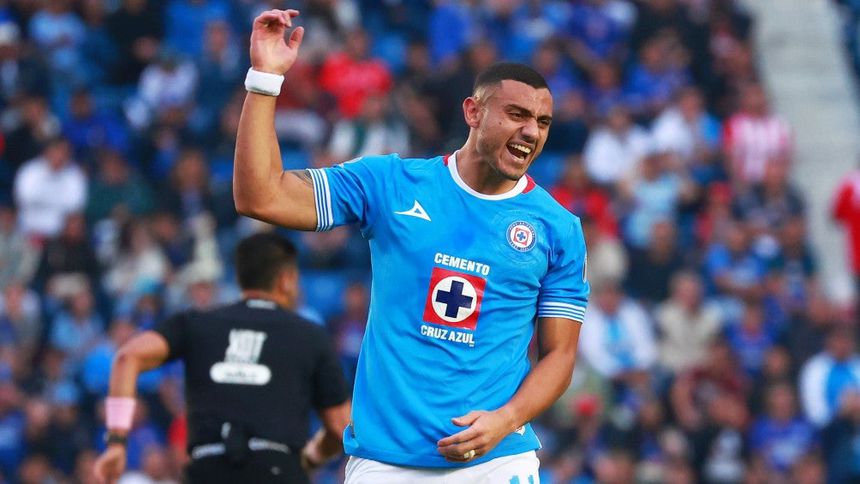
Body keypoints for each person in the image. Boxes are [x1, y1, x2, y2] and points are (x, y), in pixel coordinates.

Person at [233, 9, 590, 483]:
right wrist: (264, 80)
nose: (532, 132)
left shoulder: (559, 228)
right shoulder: (391, 184)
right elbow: (260, 197)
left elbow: (560, 357)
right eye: (517, 115)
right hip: (384, 462)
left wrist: (505, 420)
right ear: (473, 112)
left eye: (543, 122)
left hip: (497, 460)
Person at [92, 233, 351, 483]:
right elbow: (341, 427)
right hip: (278, 469)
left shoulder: (196, 323)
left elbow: (127, 358)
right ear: (286, 279)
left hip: (208, 469)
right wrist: (312, 458)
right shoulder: (309, 335)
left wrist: (117, 443)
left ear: (239, 278)